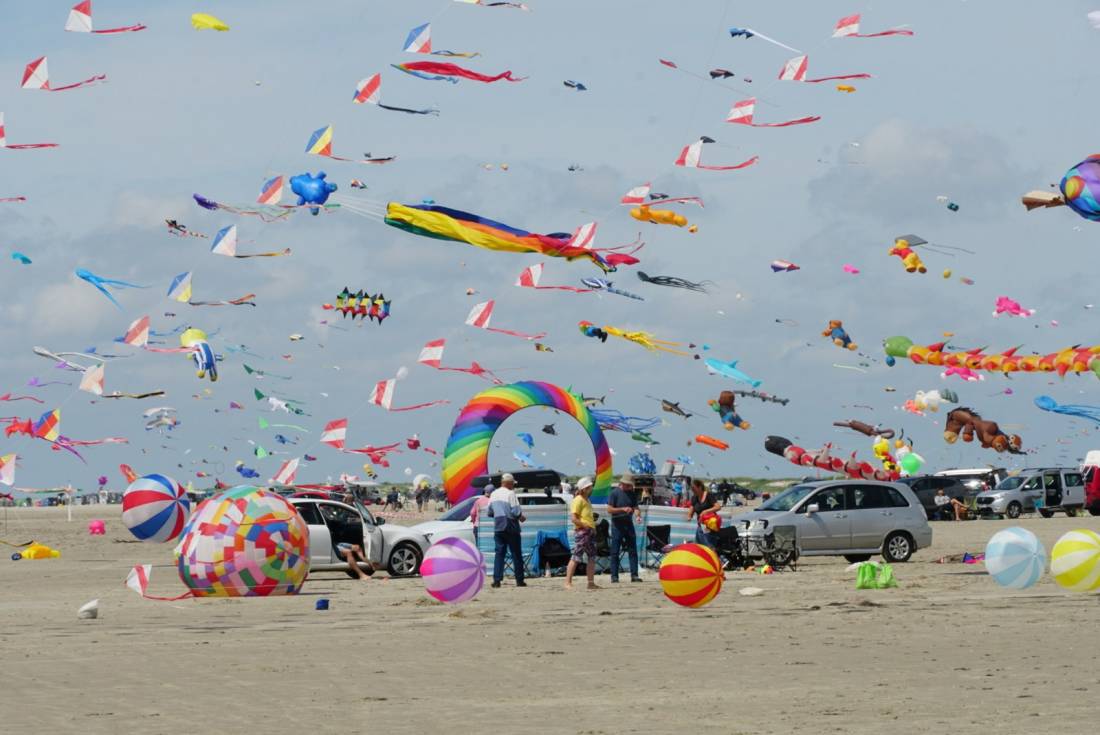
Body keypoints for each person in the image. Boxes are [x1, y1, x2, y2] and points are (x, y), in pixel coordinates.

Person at [488, 473, 526, 587]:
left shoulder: (493, 494)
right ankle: (519, 580)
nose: (513, 486)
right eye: (513, 484)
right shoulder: (511, 494)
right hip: (511, 526)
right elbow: (515, 511)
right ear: (508, 483)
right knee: (516, 553)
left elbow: (489, 512)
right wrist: (521, 517)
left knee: (499, 553)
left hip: (498, 526)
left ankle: (497, 580)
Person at [565, 477, 600, 590]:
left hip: (589, 531)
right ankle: (567, 582)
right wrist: (585, 525)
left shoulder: (586, 500)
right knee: (576, 556)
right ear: (584, 489)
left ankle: (590, 583)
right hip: (583, 532)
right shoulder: (578, 500)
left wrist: (591, 526)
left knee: (592, 557)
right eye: (589, 487)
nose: (591, 489)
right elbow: (574, 518)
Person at [607, 473, 642, 583]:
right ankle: (614, 576)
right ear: (623, 483)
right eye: (629, 485)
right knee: (615, 552)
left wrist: (638, 516)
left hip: (629, 525)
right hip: (617, 525)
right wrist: (623, 509)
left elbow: (636, 508)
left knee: (633, 550)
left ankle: (634, 575)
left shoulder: (632, 493)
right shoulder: (614, 493)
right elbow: (609, 509)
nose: (631, 487)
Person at [687, 479, 722, 548]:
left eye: (694, 489)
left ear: (700, 487)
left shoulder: (708, 495)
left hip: (710, 525)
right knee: (700, 546)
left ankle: (713, 556)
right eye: (692, 489)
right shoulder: (694, 498)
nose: (693, 491)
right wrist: (689, 515)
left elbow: (718, 507)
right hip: (701, 525)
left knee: (709, 546)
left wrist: (706, 511)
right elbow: (692, 507)